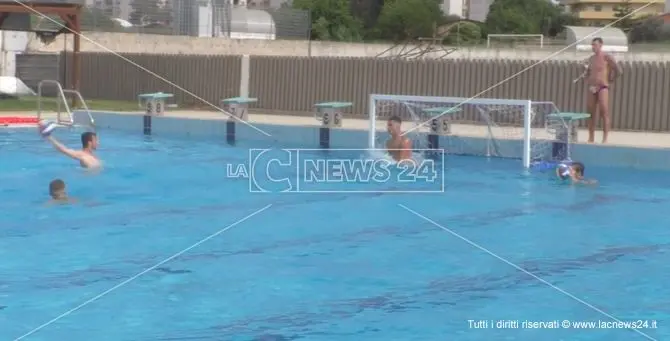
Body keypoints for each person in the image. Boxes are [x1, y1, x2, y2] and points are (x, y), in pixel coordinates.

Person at [584, 37, 622, 144]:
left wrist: (611, 80)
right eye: (592, 45)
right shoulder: (591, 58)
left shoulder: (607, 57)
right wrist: (587, 80)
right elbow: (587, 73)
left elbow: (619, 70)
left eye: (595, 45)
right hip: (592, 87)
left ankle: (605, 138)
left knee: (604, 111)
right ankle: (591, 137)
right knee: (591, 113)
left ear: (601, 45)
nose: (593, 47)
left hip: (602, 87)